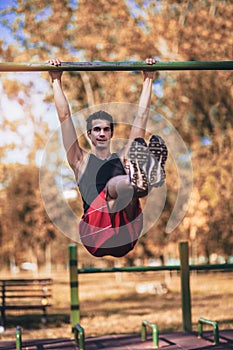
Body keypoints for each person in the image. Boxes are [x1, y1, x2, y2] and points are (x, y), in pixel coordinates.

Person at [48, 58, 168, 258]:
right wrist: (55, 80)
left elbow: (141, 117)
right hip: (96, 234)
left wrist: (148, 78)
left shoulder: (122, 159)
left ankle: (144, 175)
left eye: (106, 129)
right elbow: (64, 117)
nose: (102, 133)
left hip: (126, 232)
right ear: (89, 134)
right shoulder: (79, 160)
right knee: (119, 183)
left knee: (129, 180)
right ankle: (142, 176)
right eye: (97, 129)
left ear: (111, 133)